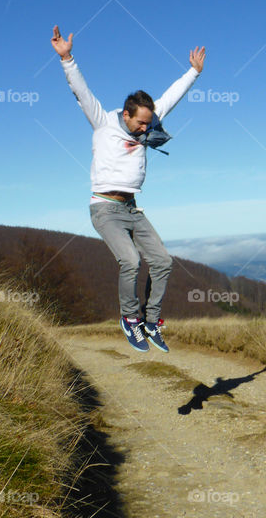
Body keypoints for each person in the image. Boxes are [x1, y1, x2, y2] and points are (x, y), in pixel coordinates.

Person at [51, 25, 206, 353]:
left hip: (132, 209)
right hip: (105, 208)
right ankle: (129, 319)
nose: (145, 128)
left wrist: (193, 72)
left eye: (149, 123)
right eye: (140, 123)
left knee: (163, 261)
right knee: (131, 262)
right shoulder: (102, 122)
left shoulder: (148, 122)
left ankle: (151, 321)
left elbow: (170, 98)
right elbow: (81, 91)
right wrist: (67, 59)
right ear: (125, 114)